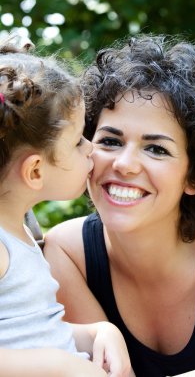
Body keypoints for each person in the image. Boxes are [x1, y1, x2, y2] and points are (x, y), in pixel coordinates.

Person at [44, 34, 195, 376]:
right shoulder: (66, 255)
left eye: (156, 149)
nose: (125, 164)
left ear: (194, 176)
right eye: (110, 141)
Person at [0, 40, 132, 377]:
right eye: (77, 141)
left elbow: (31, 332)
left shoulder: (23, 233)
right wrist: (57, 366)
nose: (91, 148)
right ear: (35, 171)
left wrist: (97, 333)